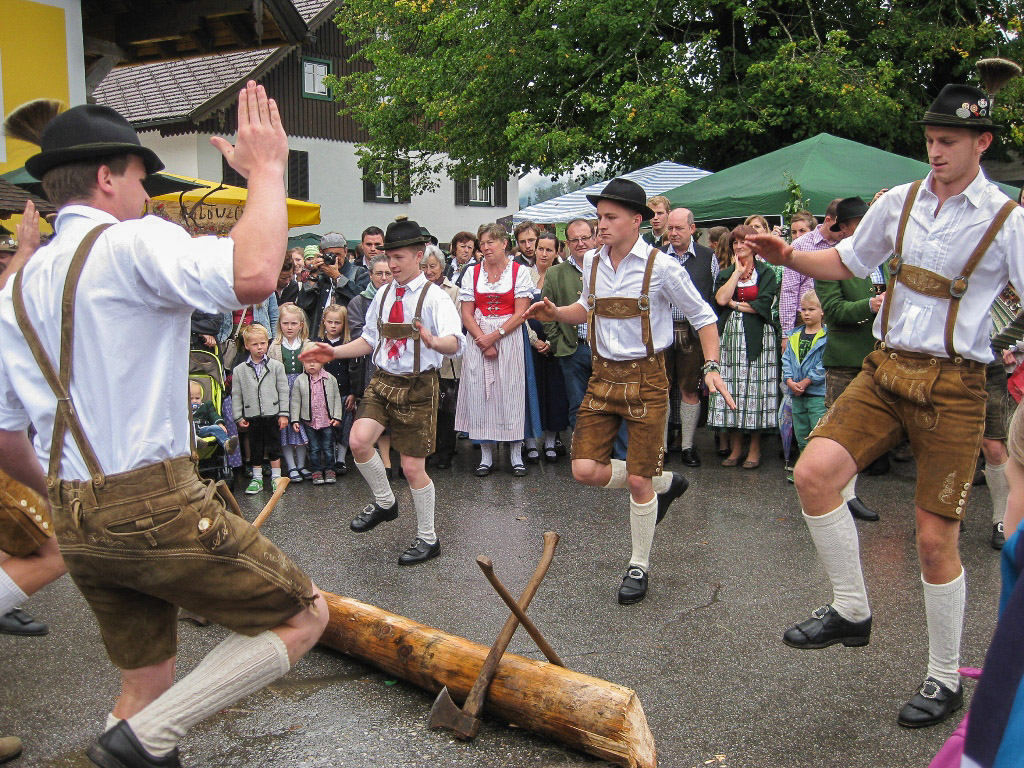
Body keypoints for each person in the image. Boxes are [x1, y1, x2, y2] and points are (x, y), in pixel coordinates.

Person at [0, 82, 327, 767]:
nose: (147, 195)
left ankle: (140, 735)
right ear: (105, 177)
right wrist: (266, 171)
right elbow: (257, 273)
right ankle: (137, 744)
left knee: (147, 682)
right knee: (304, 616)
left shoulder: (17, 288)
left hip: (73, 509)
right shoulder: (130, 245)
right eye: (141, 178)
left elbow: (4, 435)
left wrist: (72, 507)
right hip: (152, 504)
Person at [746, 75, 1024, 728]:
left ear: (981, 142)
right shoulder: (899, 202)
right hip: (884, 368)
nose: (936, 151)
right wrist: (790, 255)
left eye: (949, 141)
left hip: (955, 385)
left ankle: (944, 677)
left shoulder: (1008, 221)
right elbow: (844, 260)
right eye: (930, 139)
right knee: (813, 473)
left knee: (934, 540)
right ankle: (851, 608)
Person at [527, 178, 733, 604]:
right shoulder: (592, 264)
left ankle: (638, 564)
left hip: (647, 379)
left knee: (638, 478)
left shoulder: (663, 267)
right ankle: (665, 482)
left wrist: (711, 366)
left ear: (636, 221)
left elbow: (703, 316)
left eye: (609, 217)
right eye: (599, 216)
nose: (600, 225)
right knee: (584, 469)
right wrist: (556, 312)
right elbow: (585, 309)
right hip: (602, 376)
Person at [302, 218, 464, 565]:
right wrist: (333, 351)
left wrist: (436, 341)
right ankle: (385, 501)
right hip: (382, 380)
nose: (391, 264)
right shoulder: (385, 293)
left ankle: (427, 538)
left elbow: (455, 341)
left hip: (419, 385)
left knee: (412, 468)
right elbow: (369, 340)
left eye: (399, 257)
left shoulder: (435, 298)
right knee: (359, 441)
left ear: (419, 255)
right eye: (388, 257)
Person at [814, 199, 883, 522]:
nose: (862, 227)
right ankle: (843, 495)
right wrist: (870, 305)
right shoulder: (831, 262)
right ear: (844, 229)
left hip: (882, 355)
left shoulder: (885, 258)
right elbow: (836, 312)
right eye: (856, 222)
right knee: (840, 431)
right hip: (846, 358)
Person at [541, 218, 629, 460]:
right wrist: (558, 343)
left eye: (585, 238)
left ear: (595, 238)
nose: (580, 243)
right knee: (579, 407)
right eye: (574, 239)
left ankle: (622, 457)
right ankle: (586, 457)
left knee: (617, 403)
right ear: (566, 243)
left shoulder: (612, 267)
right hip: (574, 349)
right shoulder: (555, 273)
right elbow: (548, 313)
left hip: (609, 350)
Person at [455, 223, 536, 476]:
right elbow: (466, 312)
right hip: (478, 337)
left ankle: (515, 453)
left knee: (510, 391)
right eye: (483, 243)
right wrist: (482, 339)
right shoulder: (472, 272)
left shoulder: (519, 272)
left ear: (504, 244)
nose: (486, 247)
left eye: (491, 242)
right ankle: (486, 455)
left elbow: (521, 311)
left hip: (508, 337)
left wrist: (495, 336)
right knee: (481, 392)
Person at [709, 225, 780, 469]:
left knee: (756, 391)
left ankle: (755, 448)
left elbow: (763, 305)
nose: (739, 247)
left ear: (754, 245)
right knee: (734, 388)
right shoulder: (727, 272)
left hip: (758, 337)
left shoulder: (766, 273)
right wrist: (736, 275)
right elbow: (719, 299)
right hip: (730, 338)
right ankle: (736, 446)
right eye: (735, 243)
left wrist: (735, 305)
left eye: (744, 242)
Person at [663, 207, 718, 466]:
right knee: (660, 389)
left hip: (693, 333)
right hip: (661, 330)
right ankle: (659, 448)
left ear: (692, 229)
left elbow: (713, 296)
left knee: (689, 389)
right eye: (670, 228)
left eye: (679, 228)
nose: (673, 233)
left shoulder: (708, 258)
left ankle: (687, 446)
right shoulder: (658, 257)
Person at [348, 255, 397, 477]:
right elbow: (360, 334)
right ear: (370, 275)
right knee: (378, 415)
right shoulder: (358, 302)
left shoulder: (401, 297)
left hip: (399, 364)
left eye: (388, 273)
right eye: (379, 273)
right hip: (372, 364)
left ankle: (399, 462)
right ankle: (384, 462)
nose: (384, 278)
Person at [525, 232, 570, 462]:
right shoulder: (525, 274)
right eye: (540, 248)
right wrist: (534, 340)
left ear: (557, 252)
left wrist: (552, 342)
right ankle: (531, 442)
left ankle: (551, 441)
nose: (543, 253)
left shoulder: (562, 275)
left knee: (555, 392)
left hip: (556, 341)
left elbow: (568, 309)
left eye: (549, 250)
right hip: (529, 340)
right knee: (530, 390)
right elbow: (519, 311)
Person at [232, 323, 289, 494]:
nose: (259, 347)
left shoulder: (277, 366)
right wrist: (238, 416)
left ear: (268, 342)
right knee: (255, 447)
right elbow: (237, 394)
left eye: (263, 343)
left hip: (272, 413)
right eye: (255, 344)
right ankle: (257, 478)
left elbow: (283, 391)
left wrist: (284, 414)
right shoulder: (239, 370)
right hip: (252, 414)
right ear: (247, 345)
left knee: (273, 446)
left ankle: (276, 477)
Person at [777, 199, 845, 340]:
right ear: (828, 220)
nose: (844, 230)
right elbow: (789, 290)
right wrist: (787, 334)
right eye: (840, 225)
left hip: (839, 316)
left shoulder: (846, 244)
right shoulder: (800, 245)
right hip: (806, 319)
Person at [422, 245, 461, 469]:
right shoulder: (417, 290)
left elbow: (453, 323)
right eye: (424, 266)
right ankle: (428, 449)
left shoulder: (453, 291)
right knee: (426, 407)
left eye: (433, 266)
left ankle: (446, 450)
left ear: (442, 267)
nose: (428, 271)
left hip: (446, 359)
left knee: (446, 407)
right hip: (424, 358)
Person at [289, 342, 344, 484]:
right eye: (308, 362)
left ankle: (330, 469)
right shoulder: (300, 381)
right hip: (310, 421)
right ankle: (316, 471)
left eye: (315, 361)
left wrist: (337, 416)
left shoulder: (330, 379)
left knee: (328, 446)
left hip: (327, 420)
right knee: (313, 448)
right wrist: (295, 420)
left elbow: (337, 399)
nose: (311, 365)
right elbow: (295, 401)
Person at [781, 290, 827, 457]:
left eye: (811, 309)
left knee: (817, 434)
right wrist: (789, 380)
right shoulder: (794, 335)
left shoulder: (826, 336)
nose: (806, 313)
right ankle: (803, 469)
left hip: (817, 395)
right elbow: (786, 360)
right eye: (803, 309)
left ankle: (819, 471)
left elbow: (824, 364)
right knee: (801, 435)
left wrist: (808, 380)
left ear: (822, 311)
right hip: (796, 394)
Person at [269, 303, 311, 482]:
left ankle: (301, 464)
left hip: (302, 390)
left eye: (293, 324)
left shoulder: (308, 344)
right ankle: (291, 466)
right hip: (283, 390)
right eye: (285, 323)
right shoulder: (275, 346)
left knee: (301, 426)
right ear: (280, 324)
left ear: (301, 324)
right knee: (285, 430)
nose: (289, 327)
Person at [314, 304, 356, 474]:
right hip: (323, 393)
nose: (333, 326)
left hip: (344, 392)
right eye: (330, 321)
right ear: (323, 321)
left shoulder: (348, 345)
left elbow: (353, 371)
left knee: (344, 426)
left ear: (344, 324)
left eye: (337, 322)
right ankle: (328, 459)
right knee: (327, 427)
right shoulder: (317, 344)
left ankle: (340, 460)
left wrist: (353, 393)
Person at [189, 380, 238, 453]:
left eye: (197, 398)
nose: (194, 401)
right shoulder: (183, 409)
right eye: (191, 399)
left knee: (216, 428)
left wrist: (220, 423)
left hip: (203, 429)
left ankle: (227, 444)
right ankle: (198, 442)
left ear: (201, 397)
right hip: (189, 431)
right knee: (188, 434)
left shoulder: (206, 405)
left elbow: (213, 415)